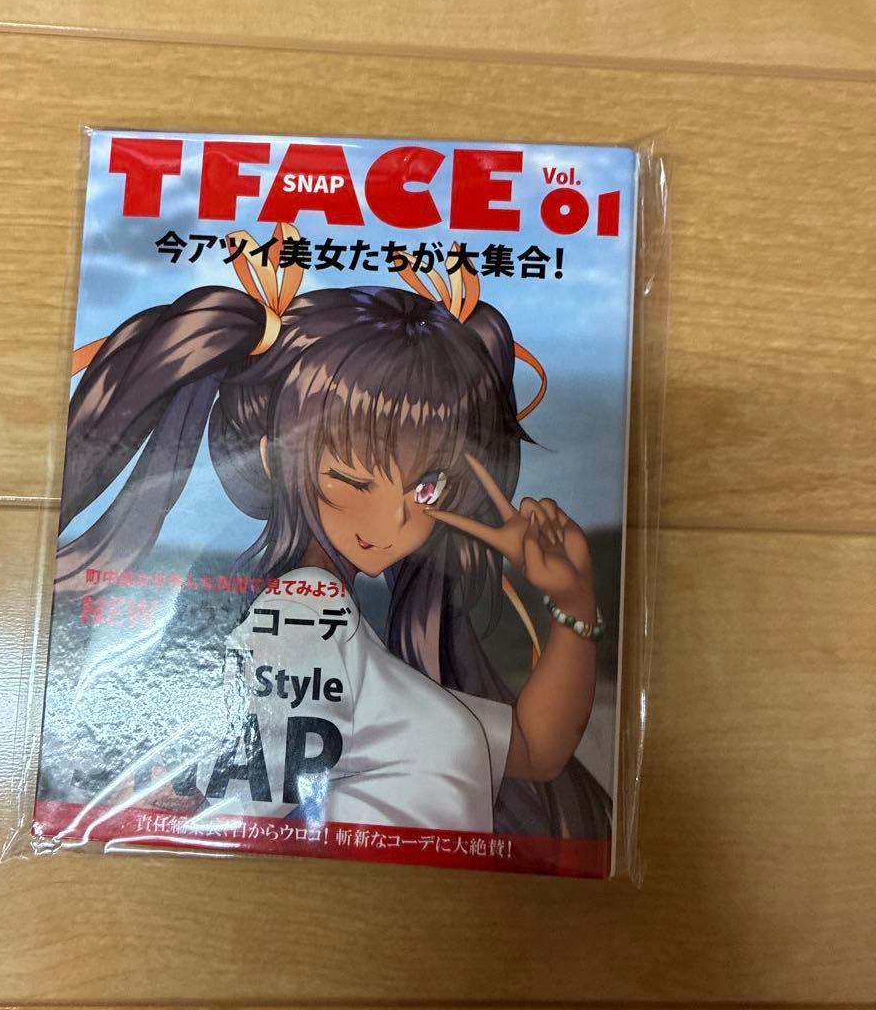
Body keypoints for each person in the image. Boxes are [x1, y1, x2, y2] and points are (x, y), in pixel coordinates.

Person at [56, 225, 610, 839]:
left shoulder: (337, 628)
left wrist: (573, 604)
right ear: (273, 458)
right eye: (354, 478)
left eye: (427, 486)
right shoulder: (304, 616)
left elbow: (534, 751)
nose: (394, 520)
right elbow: (235, 816)